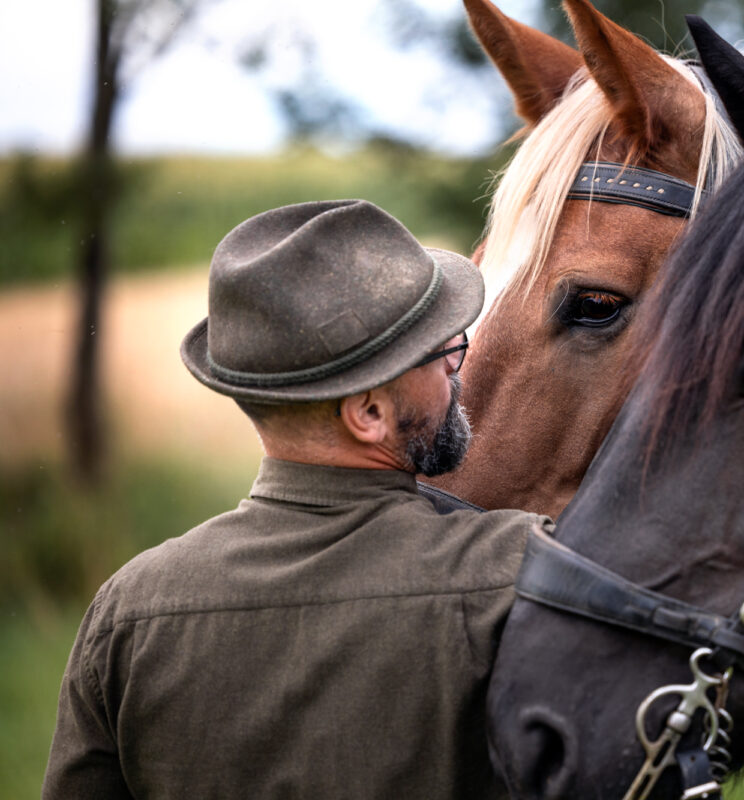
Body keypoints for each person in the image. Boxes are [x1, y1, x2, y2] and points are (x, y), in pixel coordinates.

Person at [43, 200, 549, 799]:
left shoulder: (128, 611)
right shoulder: (519, 573)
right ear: (368, 413)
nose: (457, 371)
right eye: (443, 353)